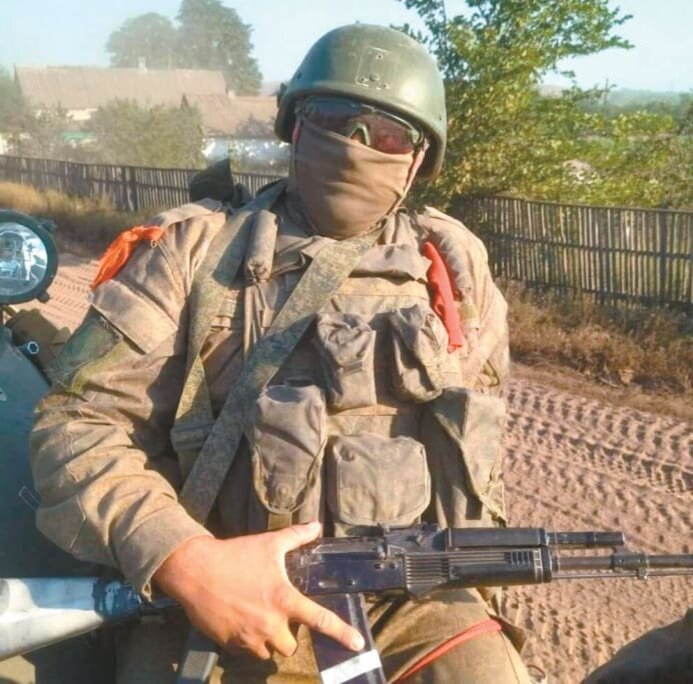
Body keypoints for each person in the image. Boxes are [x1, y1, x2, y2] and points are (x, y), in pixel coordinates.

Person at [30, 24, 528, 683]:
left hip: (413, 604)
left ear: (417, 159)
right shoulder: (192, 254)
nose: (357, 145)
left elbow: (476, 449)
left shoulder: (452, 267)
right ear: (295, 126)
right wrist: (182, 558)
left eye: (385, 135)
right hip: (227, 594)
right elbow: (74, 425)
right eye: (334, 119)